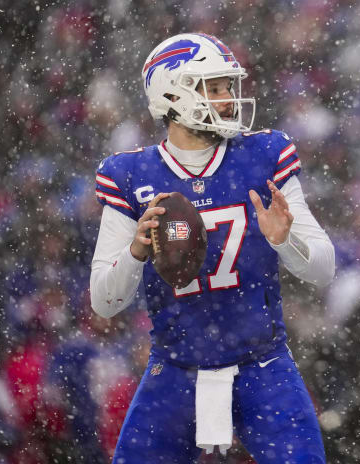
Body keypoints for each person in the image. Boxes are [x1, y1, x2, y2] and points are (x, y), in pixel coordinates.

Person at [89, 33, 335, 463]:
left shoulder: (264, 155)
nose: (228, 99)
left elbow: (323, 269)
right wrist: (135, 253)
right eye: (214, 88)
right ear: (172, 92)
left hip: (262, 363)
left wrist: (286, 240)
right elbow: (104, 302)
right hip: (176, 367)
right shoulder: (130, 174)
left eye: (228, 87)